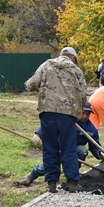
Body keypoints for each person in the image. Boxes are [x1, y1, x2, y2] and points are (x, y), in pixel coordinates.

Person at [24, 47, 87, 193]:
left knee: (50, 147)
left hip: (48, 112)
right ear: (73, 57)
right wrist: (79, 110)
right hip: (67, 114)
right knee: (68, 147)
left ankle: (51, 183)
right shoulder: (76, 70)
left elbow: (31, 84)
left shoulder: (47, 65)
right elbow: (83, 94)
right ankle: (72, 182)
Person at [16, 102, 104, 187]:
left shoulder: (91, 129)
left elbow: (94, 143)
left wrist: (98, 153)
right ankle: (31, 176)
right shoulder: (68, 120)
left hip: (73, 151)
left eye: (87, 114)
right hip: (58, 147)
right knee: (49, 164)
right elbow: (48, 124)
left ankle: (72, 176)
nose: (85, 116)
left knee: (82, 151)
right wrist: (38, 135)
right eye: (83, 113)